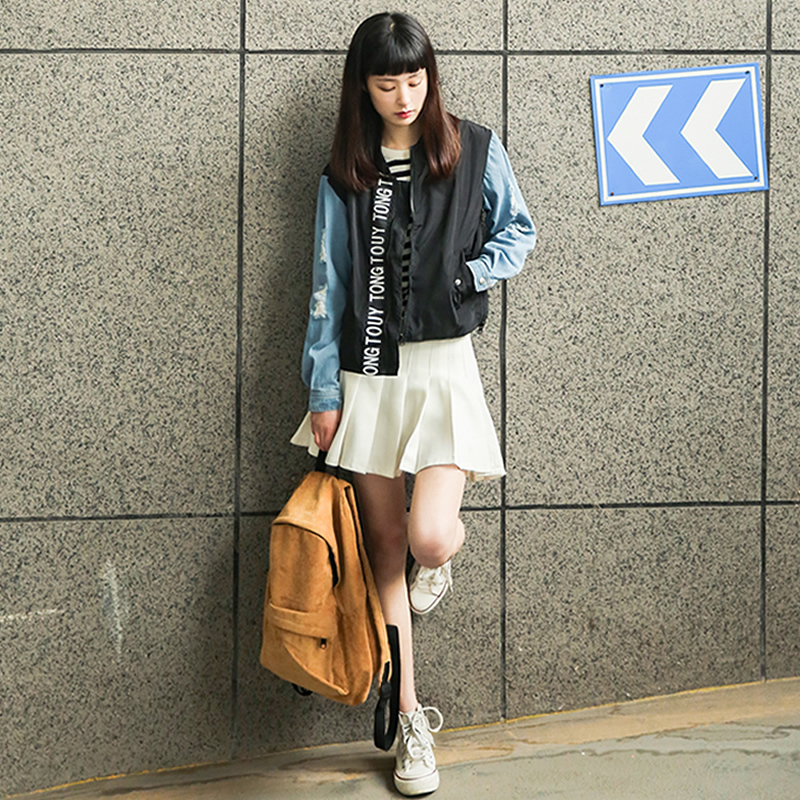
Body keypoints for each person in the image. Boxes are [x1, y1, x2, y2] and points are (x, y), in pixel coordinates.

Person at [290, 12, 536, 796]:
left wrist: (467, 276)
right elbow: (327, 285)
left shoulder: (472, 149)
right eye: (387, 82)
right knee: (385, 551)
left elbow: (519, 233)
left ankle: (442, 563)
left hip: (442, 374)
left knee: (430, 539)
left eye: (415, 79)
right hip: (367, 375)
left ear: (431, 78)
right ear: (362, 87)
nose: (403, 96)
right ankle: (409, 727)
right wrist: (323, 390)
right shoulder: (345, 174)